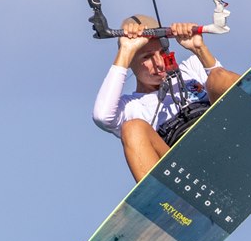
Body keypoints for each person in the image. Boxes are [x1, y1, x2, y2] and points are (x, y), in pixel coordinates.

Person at [91, 14, 240, 180]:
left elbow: (228, 83)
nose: (159, 63)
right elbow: (102, 116)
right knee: (133, 128)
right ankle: (162, 199)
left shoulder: (191, 67)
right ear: (130, 62)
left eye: (162, 52)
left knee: (218, 76)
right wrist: (125, 51)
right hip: (187, 175)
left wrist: (199, 49)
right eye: (147, 57)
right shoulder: (131, 107)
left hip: (229, 146)